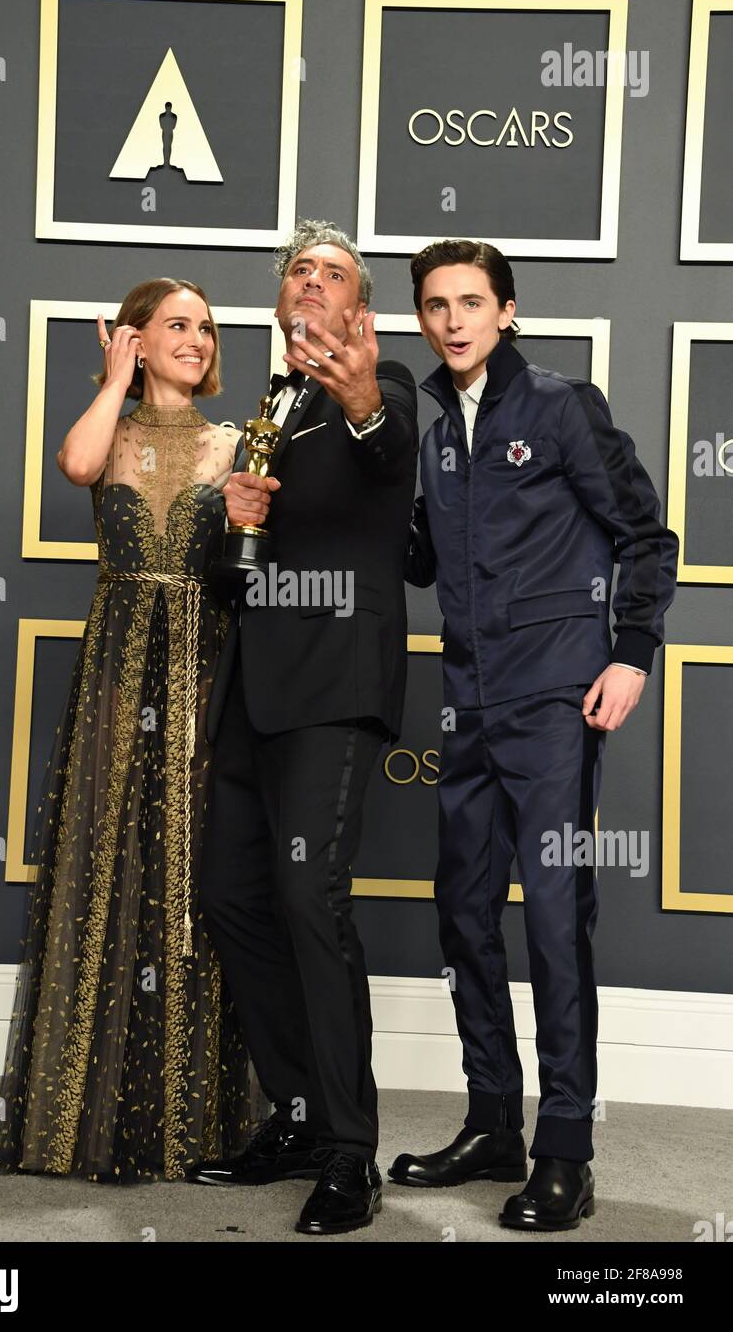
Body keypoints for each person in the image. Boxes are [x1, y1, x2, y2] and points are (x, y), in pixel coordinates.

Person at [391, 238, 679, 1231]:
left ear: (505, 311)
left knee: (553, 921)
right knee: (461, 918)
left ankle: (564, 1148)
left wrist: (628, 650)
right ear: (422, 317)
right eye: (435, 304)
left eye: (471, 301)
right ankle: (491, 1121)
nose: (453, 319)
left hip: (555, 699)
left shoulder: (560, 405)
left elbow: (643, 532)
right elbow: (423, 562)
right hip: (466, 705)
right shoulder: (432, 435)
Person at [0, 278, 260, 1183]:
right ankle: (77, 1118)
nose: (198, 339)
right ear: (138, 340)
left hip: (200, 667)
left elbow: (255, 560)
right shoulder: (111, 432)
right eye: (177, 326)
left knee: (190, 873)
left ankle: (190, 1124)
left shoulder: (234, 442)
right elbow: (74, 465)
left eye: (207, 328)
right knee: (108, 861)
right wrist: (114, 380)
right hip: (118, 667)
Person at [185, 219, 418, 1235]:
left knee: (306, 897)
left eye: (328, 274)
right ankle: (291, 1115)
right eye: (296, 272)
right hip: (252, 690)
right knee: (234, 899)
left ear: (358, 311)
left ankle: (348, 1154)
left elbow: (392, 459)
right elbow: (222, 574)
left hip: (332, 686)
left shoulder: (388, 388)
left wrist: (362, 393)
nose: (308, 283)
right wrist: (223, 514)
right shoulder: (265, 409)